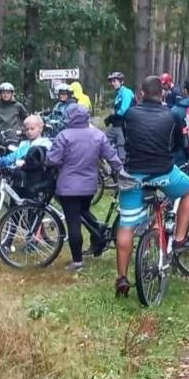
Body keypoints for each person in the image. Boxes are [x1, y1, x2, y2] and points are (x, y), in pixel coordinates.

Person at [114, 76, 189, 298]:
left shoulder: (129, 114)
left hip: (134, 175)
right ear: (162, 93)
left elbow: (127, 137)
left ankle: (122, 278)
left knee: (126, 225)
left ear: (141, 93)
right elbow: (180, 145)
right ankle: (179, 238)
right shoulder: (172, 115)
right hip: (163, 173)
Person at [46, 103, 124, 272]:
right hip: (89, 187)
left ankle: (77, 261)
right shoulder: (97, 135)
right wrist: (121, 172)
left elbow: (52, 160)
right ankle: (98, 237)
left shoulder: (63, 136)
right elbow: (111, 156)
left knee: (73, 223)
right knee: (84, 212)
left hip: (68, 187)